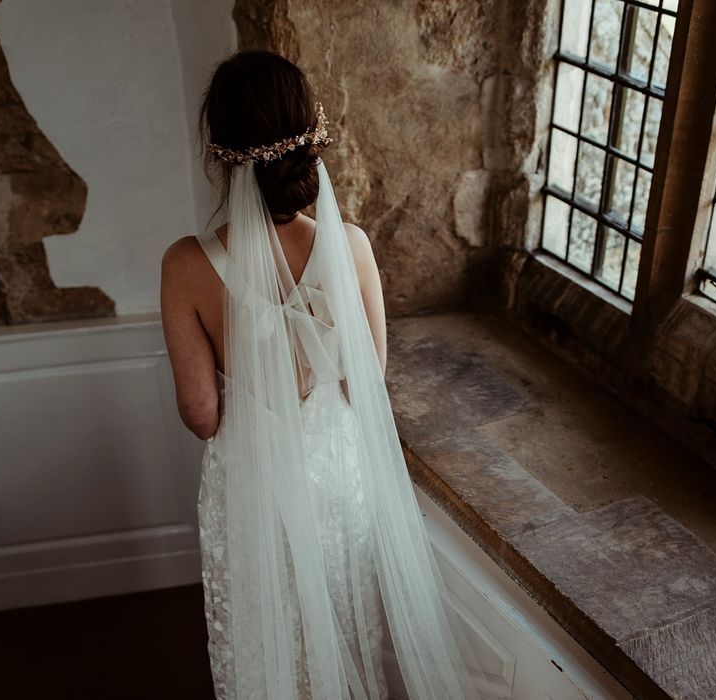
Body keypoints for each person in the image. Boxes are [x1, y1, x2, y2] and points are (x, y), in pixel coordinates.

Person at [160, 50, 486, 700]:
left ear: (218, 149)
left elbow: (201, 414)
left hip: (258, 490)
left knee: (269, 642)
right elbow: (365, 380)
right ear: (308, 137)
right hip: (337, 482)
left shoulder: (188, 266)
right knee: (340, 629)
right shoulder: (354, 248)